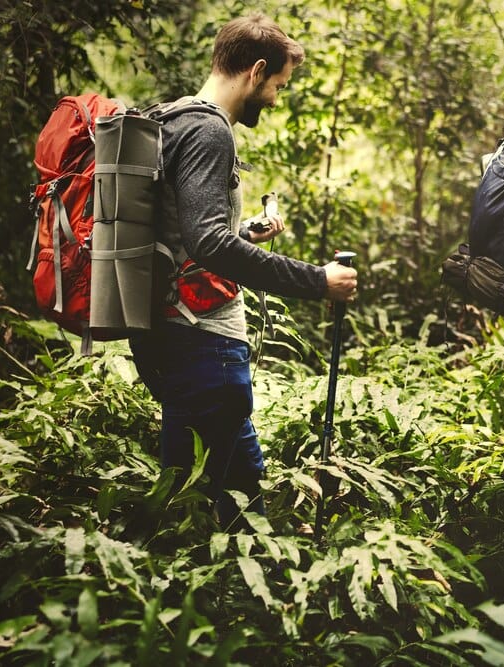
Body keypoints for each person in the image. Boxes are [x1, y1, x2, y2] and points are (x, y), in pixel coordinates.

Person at [129, 13, 358, 531]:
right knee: (185, 502)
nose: (276, 98)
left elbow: (186, 234)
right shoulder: (210, 132)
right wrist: (317, 280)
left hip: (176, 333)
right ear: (256, 71)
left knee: (242, 490)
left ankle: (244, 589)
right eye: (278, 85)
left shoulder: (174, 118)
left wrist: (247, 232)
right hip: (202, 341)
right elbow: (208, 242)